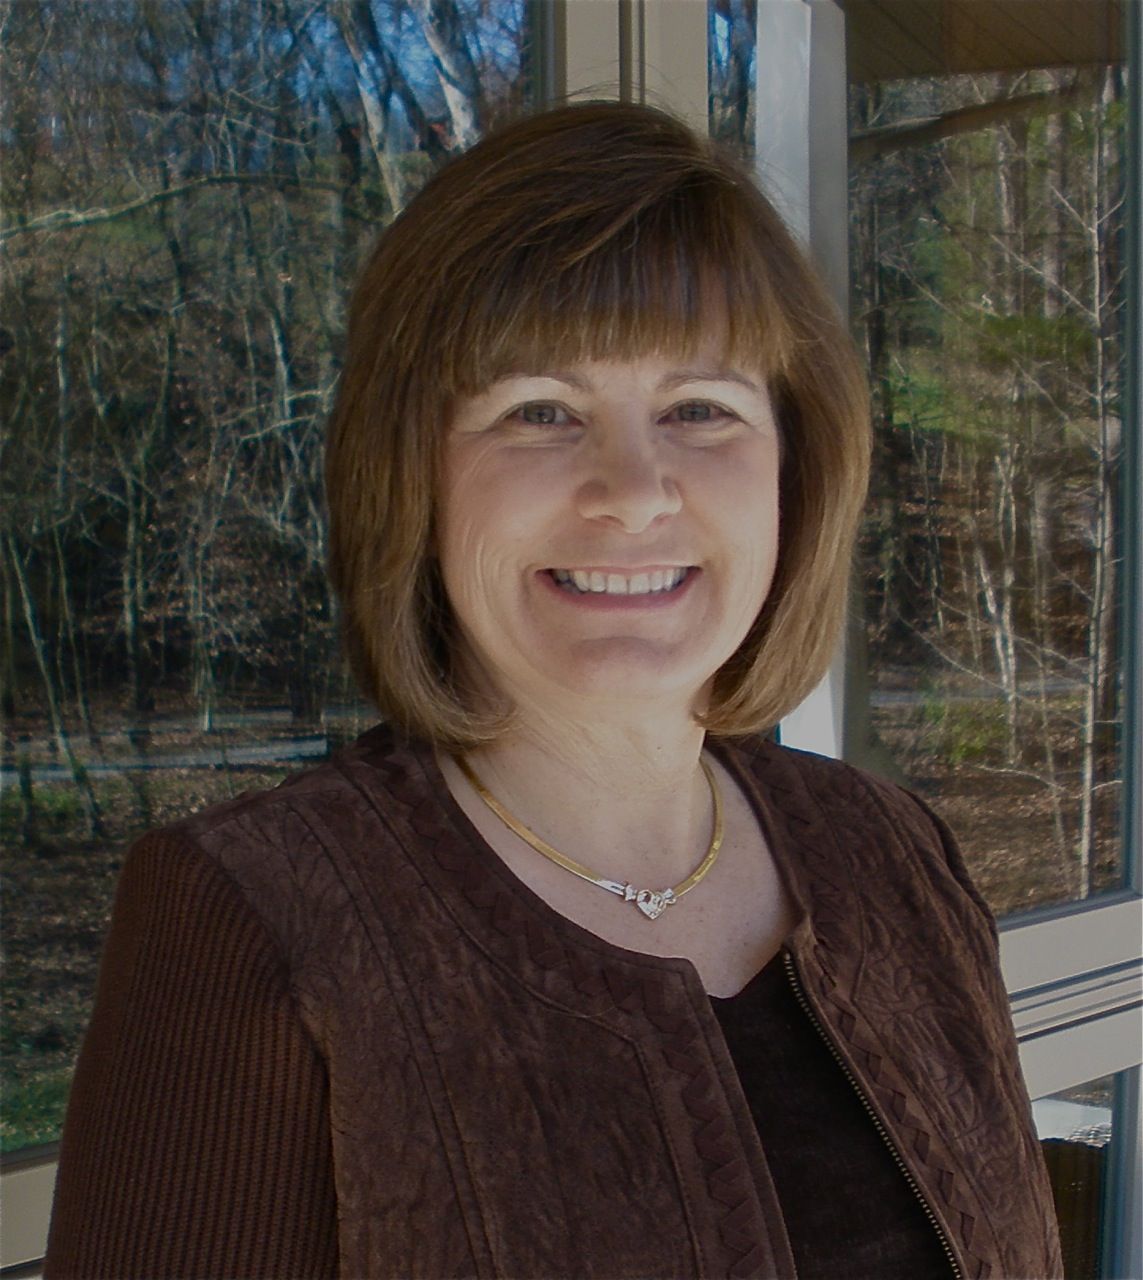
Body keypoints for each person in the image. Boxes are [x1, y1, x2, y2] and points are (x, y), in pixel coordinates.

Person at [45, 102, 1061, 1279]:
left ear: (797, 468)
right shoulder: (259, 917)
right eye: (540, 410)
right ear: (415, 473)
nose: (633, 490)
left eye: (700, 409)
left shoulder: (895, 857)